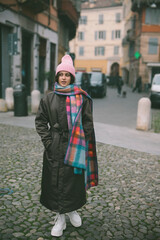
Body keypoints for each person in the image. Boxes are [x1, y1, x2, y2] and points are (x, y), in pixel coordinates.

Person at [35, 55, 98, 237]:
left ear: (72, 77)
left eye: (67, 75)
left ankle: (71, 210)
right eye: (60, 74)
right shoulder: (48, 99)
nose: (63, 78)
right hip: (54, 146)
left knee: (72, 181)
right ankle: (59, 217)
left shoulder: (81, 98)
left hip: (75, 145)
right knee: (54, 181)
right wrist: (48, 142)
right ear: (57, 77)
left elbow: (88, 123)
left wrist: (81, 141)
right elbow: (40, 121)